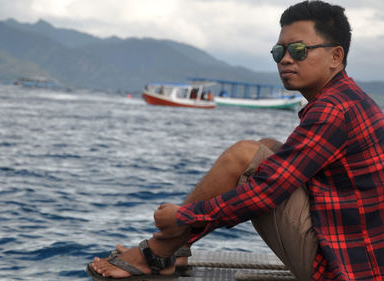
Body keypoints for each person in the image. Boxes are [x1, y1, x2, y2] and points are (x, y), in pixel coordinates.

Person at [87, 1, 384, 280]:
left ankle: (157, 251)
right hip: (353, 251)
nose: (287, 60)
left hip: (340, 268)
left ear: (336, 56)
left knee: (245, 156)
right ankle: (169, 250)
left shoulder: (332, 111)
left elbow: (265, 193)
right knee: (266, 146)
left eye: (299, 50)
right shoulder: (346, 99)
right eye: (279, 52)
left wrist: (184, 215)